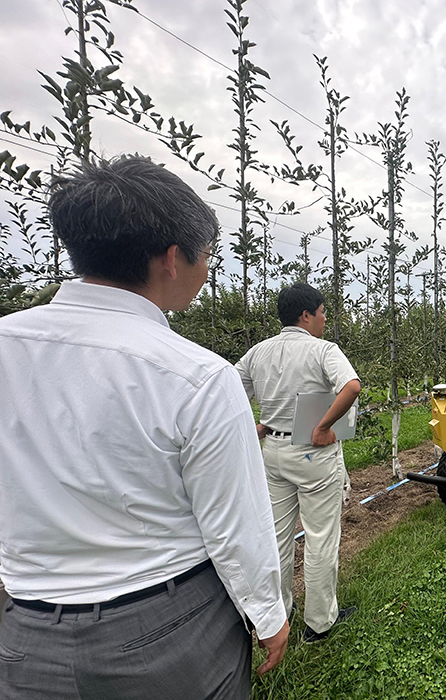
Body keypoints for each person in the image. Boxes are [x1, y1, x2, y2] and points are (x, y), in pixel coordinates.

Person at [0, 156, 288, 700]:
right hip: (169, 630)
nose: (209, 272)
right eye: (208, 256)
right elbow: (233, 527)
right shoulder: (197, 374)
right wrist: (267, 613)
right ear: (172, 259)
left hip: (26, 633)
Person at [236, 283, 362, 643]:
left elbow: (228, 394)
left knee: (277, 536)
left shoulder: (257, 353)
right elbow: (351, 387)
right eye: (322, 313)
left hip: (272, 454)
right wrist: (323, 426)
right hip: (312, 452)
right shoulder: (323, 350)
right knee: (321, 537)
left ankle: (279, 612)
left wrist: (259, 424)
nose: (324, 320)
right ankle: (319, 624)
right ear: (306, 315)